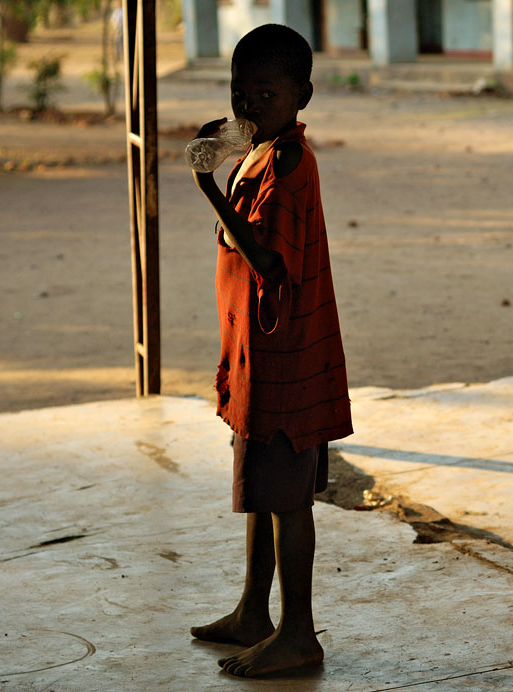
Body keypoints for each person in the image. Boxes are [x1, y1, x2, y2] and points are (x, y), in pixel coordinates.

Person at [188, 24, 353, 678]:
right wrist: (226, 153)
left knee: (287, 500)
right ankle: (255, 611)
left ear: (301, 96)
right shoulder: (261, 150)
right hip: (262, 355)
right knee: (264, 489)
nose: (251, 105)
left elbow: (266, 262)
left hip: (289, 362)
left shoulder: (288, 163)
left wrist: (209, 190)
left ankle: (299, 633)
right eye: (240, 93)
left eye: (266, 93)